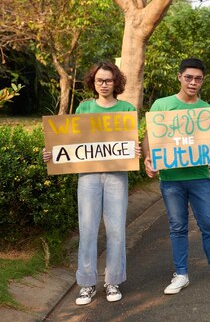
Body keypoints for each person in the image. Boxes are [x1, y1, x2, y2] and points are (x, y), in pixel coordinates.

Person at [143, 58, 210, 295]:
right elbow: (149, 138)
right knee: (177, 226)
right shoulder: (162, 105)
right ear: (179, 77)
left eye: (198, 78)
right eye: (188, 77)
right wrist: (148, 158)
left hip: (200, 177)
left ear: (202, 81)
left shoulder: (207, 111)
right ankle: (180, 274)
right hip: (170, 179)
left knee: (209, 224)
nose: (193, 82)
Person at [43, 61, 140, 305]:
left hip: (117, 175)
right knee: (87, 229)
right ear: (93, 82)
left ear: (116, 82)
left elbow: (129, 143)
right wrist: (53, 154)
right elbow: (72, 141)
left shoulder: (127, 108)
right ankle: (86, 284)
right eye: (99, 80)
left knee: (116, 229)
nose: (104, 84)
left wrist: (135, 149)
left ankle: (113, 281)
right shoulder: (84, 107)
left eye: (108, 80)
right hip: (88, 176)